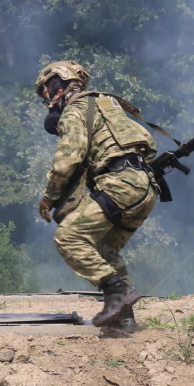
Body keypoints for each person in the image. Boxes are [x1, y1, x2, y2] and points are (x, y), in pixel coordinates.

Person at [35, 60, 159, 334]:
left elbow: (68, 160)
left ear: (61, 85)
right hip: (146, 187)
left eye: (48, 90)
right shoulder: (107, 107)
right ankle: (123, 320)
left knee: (68, 238)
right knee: (104, 249)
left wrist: (49, 197)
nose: (47, 99)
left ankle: (118, 293)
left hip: (119, 184)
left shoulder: (75, 111)